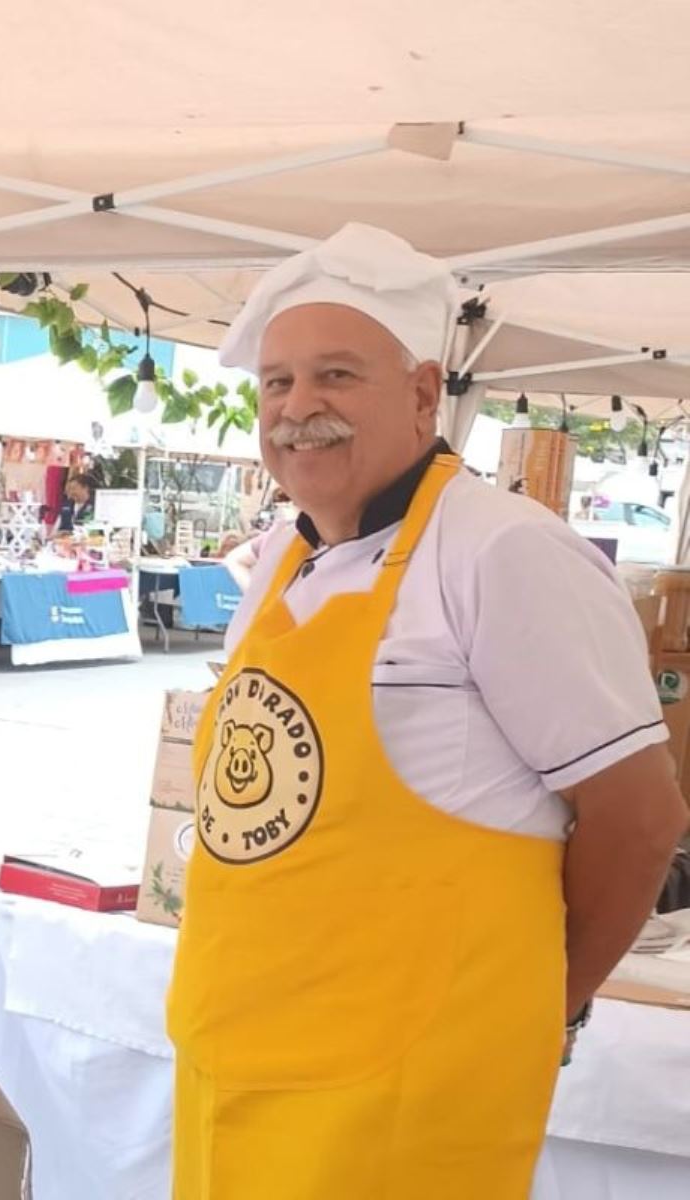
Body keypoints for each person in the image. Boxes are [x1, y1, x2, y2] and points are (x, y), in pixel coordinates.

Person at [167, 223, 688, 1199]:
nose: (298, 408)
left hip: (407, 1093)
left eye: (335, 376)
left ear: (421, 392)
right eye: (277, 382)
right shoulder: (282, 556)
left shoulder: (502, 553)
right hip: (234, 1057)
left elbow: (641, 815)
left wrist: (545, 1006)